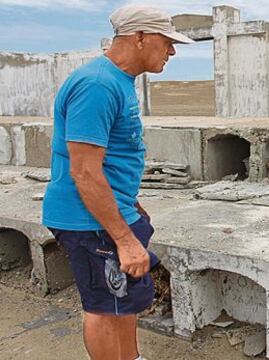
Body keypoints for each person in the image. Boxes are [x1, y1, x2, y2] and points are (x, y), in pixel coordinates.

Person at [42, 5, 194, 360]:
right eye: (167, 42)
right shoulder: (97, 85)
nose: (172, 51)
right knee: (105, 309)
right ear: (139, 37)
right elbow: (84, 171)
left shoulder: (116, 81)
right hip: (89, 221)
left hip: (110, 213)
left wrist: (130, 206)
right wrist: (124, 240)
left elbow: (108, 160)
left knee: (122, 303)